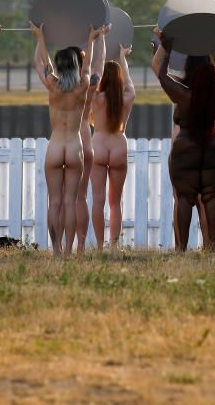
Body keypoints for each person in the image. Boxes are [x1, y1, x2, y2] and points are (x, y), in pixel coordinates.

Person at [157, 33, 215, 252]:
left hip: (186, 145)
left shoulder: (183, 95)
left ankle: (181, 248)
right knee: (211, 197)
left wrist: (167, 51)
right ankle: (211, 246)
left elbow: (163, 77)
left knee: (184, 198)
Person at [31, 22, 106, 256]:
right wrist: (92, 39)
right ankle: (68, 253)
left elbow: (42, 63)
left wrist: (40, 38)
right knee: (71, 202)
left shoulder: (52, 84)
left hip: (55, 146)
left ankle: (56, 250)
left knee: (55, 202)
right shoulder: (82, 85)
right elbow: (89, 65)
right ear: (75, 65)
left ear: (59, 66)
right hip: (74, 147)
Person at [90, 44, 136, 250]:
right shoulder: (127, 97)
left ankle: (100, 246)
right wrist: (123, 58)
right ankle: (115, 247)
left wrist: (96, 44)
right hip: (119, 145)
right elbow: (128, 80)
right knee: (116, 202)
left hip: (98, 145)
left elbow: (92, 75)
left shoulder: (95, 97)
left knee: (98, 201)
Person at [70, 46, 99, 254]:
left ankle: (65, 247)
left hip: (69, 138)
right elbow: (99, 62)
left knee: (66, 199)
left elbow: (41, 65)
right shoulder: (89, 83)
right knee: (81, 198)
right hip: (86, 139)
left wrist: (41, 40)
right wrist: (98, 39)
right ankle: (80, 247)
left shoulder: (61, 85)